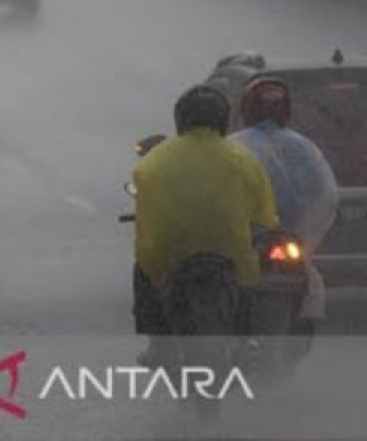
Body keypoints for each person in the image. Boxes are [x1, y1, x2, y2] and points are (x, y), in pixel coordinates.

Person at [132, 84, 279, 363]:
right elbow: (264, 213)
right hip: (232, 253)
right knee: (250, 285)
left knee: (143, 274)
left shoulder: (154, 161)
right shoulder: (242, 157)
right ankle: (246, 339)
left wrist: (151, 258)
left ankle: (157, 345)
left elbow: (146, 218)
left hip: (172, 254)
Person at [230, 78, 339, 324]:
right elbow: (326, 197)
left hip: (246, 242)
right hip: (291, 241)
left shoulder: (232, 147)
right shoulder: (305, 148)